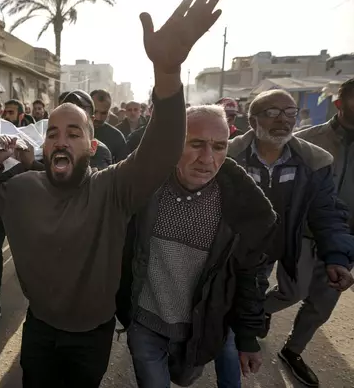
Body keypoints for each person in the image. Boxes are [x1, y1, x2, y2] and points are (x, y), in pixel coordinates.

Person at [0, 0, 222, 385]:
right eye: (53, 133)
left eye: (74, 133)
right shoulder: (22, 188)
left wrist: (167, 72)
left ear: (92, 146)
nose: (61, 140)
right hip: (39, 329)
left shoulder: (112, 189)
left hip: (92, 337)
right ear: (43, 145)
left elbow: (161, 150)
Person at [117, 104, 276, 387]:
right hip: (144, 326)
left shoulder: (240, 208)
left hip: (200, 330)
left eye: (219, 146)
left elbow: (249, 277)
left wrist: (247, 336)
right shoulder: (144, 187)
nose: (207, 158)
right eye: (197, 144)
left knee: (186, 377)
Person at [215, 89, 354, 388]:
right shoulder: (226, 157)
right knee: (231, 329)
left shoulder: (313, 161)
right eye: (273, 113)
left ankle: (266, 330)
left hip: (284, 245)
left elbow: (326, 212)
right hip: (236, 255)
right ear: (253, 121)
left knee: (294, 292)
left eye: (290, 113)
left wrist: (337, 257)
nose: (283, 120)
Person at [273, 80, 354, 387]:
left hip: (346, 241)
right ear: (339, 104)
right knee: (291, 291)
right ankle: (252, 315)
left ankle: (293, 351)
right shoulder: (306, 141)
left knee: (322, 304)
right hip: (303, 234)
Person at [58, 90, 114, 170]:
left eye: (79, 113)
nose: (72, 118)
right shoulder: (53, 144)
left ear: (91, 119)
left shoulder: (100, 152)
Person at [90, 89, 129, 163]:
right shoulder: (74, 131)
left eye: (103, 113)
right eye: (95, 112)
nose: (98, 117)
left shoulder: (117, 137)